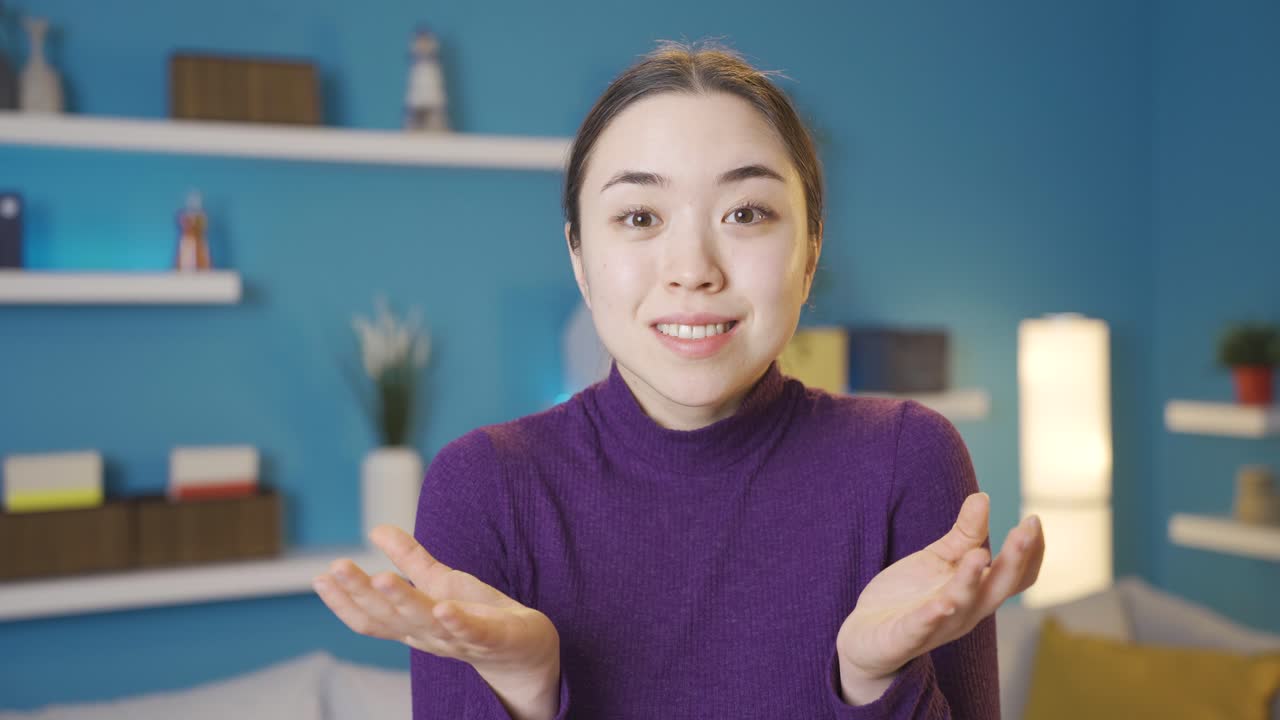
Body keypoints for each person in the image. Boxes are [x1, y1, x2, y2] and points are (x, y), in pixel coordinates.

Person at [312, 40, 1046, 720]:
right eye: (638, 216)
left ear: (811, 250)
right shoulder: (485, 487)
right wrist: (528, 691)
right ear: (578, 254)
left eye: (746, 212)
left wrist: (872, 679)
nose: (693, 268)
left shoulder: (905, 462)